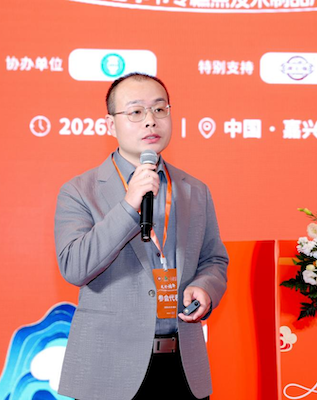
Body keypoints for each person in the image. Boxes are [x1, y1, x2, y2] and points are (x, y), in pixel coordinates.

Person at [54, 72, 229, 400]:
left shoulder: (194, 190)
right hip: (108, 370)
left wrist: (205, 287)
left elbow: (214, 260)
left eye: (159, 109)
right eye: (136, 111)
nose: (150, 120)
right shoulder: (79, 190)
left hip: (182, 369)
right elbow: (75, 267)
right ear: (110, 124)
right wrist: (128, 206)